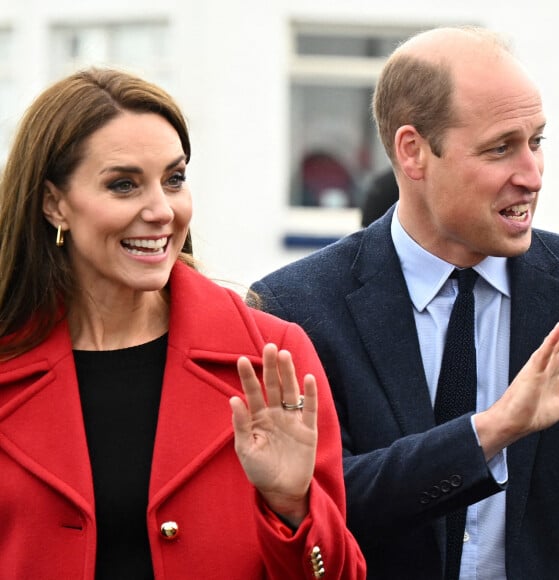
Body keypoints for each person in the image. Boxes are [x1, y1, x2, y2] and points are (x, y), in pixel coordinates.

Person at [0, 68, 366, 579]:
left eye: (174, 179)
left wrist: (292, 507)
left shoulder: (271, 358)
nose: (162, 211)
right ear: (54, 203)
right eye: (123, 185)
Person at [249, 26, 559, 580]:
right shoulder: (292, 310)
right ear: (414, 152)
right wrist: (489, 432)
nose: (532, 175)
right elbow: (319, 502)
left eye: (537, 141)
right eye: (501, 148)